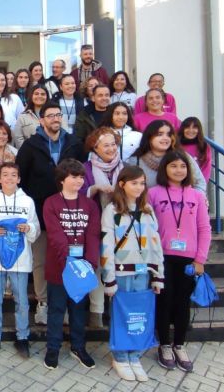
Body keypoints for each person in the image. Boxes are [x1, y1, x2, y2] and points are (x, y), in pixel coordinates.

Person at [16, 101, 85, 326]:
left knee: (68, 258)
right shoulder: (30, 146)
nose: (56, 119)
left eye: (59, 115)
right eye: (51, 116)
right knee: (41, 260)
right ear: (42, 120)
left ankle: (65, 302)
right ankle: (43, 302)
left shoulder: (74, 143)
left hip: (70, 213)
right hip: (39, 212)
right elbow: (21, 180)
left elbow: (82, 175)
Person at [149, 150, 211, 373]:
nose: (178, 170)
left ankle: (180, 345)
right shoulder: (153, 193)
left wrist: (200, 259)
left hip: (188, 259)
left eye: (183, 166)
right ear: (165, 168)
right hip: (161, 257)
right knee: (164, 302)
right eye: (173, 166)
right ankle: (164, 345)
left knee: (182, 303)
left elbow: (204, 228)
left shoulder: (195, 195)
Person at [101, 166, 164, 382]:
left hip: (143, 273)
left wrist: (158, 274)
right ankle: (120, 357)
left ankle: (134, 356)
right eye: (134, 182)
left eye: (142, 183)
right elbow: (106, 246)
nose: (139, 187)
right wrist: (108, 279)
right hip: (121, 273)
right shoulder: (112, 210)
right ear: (122, 184)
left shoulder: (147, 209)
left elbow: (156, 244)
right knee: (121, 315)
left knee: (140, 315)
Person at [0, 162, 40, 359]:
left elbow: (36, 227)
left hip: (20, 260)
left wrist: (29, 228)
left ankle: (22, 337)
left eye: (14, 175)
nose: (10, 178)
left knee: (21, 300)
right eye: (5, 175)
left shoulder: (27, 201)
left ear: (19, 179)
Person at [42, 159, 100, 370]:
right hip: (59, 267)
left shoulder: (90, 204)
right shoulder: (51, 203)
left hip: (83, 269)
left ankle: (78, 346)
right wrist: (68, 261)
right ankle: (53, 348)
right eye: (74, 176)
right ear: (62, 179)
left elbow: (93, 235)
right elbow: (55, 235)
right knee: (56, 309)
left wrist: (90, 263)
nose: (79, 180)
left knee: (78, 310)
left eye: (81, 176)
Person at [80, 127, 125, 328]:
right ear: (95, 147)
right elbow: (78, 194)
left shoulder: (125, 168)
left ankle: (119, 311)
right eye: (105, 145)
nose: (111, 148)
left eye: (113, 144)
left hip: (122, 227)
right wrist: (95, 189)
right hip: (95, 226)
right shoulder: (85, 168)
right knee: (96, 266)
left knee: (120, 266)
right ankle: (96, 312)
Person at [127, 120, 207, 193]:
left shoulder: (182, 156)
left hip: (182, 207)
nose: (165, 138)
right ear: (149, 137)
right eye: (160, 134)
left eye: (169, 135)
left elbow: (200, 183)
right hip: (148, 207)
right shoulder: (135, 161)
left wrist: (196, 201)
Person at [13, 84, 49, 148]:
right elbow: (18, 138)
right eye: (36, 94)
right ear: (31, 96)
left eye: (43, 94)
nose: (39, 96)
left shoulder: (55, 114)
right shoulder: (23, 117)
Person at [178, 117, 212, 183]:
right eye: (187, 127)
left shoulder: (204, 147)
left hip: (197, 184)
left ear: (199, 130)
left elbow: (206, 167)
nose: (191, 130)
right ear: (182, 129)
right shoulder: (176, 145)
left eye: (194, 128)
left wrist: (200, 184)